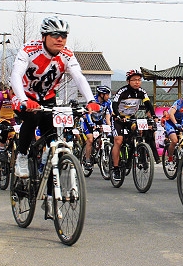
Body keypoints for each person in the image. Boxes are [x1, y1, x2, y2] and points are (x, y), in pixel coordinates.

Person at [9, 16, 101, 181]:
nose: (60, 39)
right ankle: (22, 156)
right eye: (55, 35)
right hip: (24, 96)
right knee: (32, 117)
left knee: (54, 137)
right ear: (44, 36)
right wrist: (24, 100)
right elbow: (15, 75)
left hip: (48, 98)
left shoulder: (67, 54)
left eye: (64, 35)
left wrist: (91, 100)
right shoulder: (29, 50)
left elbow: (78, 77)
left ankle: (50, 177)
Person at [110, 69, 157, 182]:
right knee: (118, 141)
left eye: (139, 80)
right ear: (128, 81)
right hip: (118, 118)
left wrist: (154, 116)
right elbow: (114, 105)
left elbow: (148, 104)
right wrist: (118, 115)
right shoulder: (122, 91)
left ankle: (138, 152)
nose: (137, 82)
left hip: (131, 118)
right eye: (134, 80)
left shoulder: (142, 92)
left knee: (140, 132)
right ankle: (116, 168)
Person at [80, 85, 112, 169]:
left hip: (99, 120)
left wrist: (109, 125)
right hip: (88, 120)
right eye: (107, 95)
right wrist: (91, 124)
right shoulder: (92, 101)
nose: (108, 97)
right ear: (101, 95)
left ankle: (99, 150)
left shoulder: (108, 102)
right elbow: (88, 114)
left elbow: (109, 114)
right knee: (90, 140)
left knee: (104, 135)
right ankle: (87, 160)